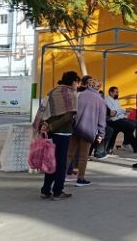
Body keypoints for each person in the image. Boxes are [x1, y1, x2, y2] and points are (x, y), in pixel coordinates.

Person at [39, 71, 79, 200]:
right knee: (61, 163)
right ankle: (57, 191)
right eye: (77, 82)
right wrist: (52, 126)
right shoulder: (71, 94)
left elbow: (43, 110)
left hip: (50, 134)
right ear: (73, 81)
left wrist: (46, 125)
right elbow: (68, 116)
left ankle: (45, 190)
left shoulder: (52, 92)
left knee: (50, 161)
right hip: (63, 133)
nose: (77, 85)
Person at [67, 76, 106, 187]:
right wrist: (101, 133)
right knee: (83, 156)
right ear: (98, 87)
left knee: (69, 154)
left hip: (76, 129)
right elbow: (101, 119)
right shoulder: (100, 100)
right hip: (88, 131)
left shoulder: (79, 95)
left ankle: (63, 175)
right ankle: (80, 179)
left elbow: (72, 112)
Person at [104, 86, 137, 153]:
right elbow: (113, 112)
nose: (117, 93)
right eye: (116, 92)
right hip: (112, 120)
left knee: (134, 124)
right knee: (131, 126)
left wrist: (125, 113)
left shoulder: (116, 100)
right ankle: (129, 144)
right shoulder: (107, 99)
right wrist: (124, 110)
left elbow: (119, 110)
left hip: (120, 118)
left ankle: (132, 145)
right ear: (111, 92)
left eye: (118, 92)